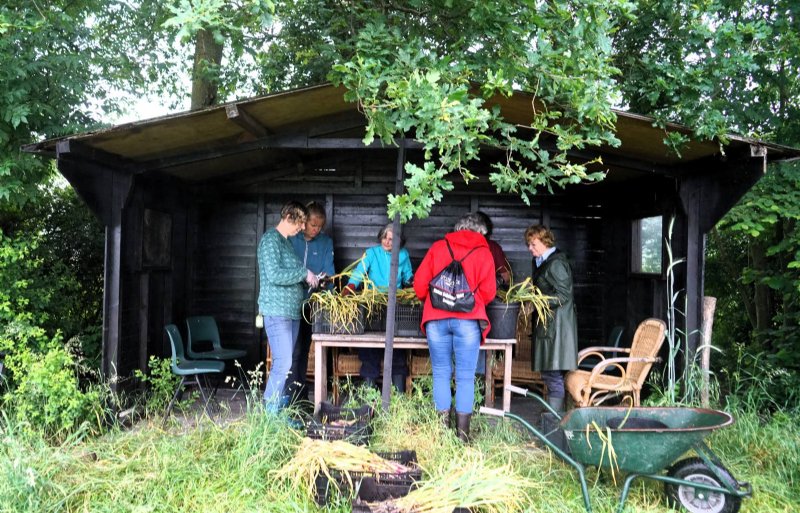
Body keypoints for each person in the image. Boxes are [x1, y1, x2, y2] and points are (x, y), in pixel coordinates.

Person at [413, 213, 496, 442]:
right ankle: (462, 437)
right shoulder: (483, 253)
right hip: (468, 321)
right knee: (466, 377)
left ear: (458, 227)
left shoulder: (439, 247)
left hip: (436, 319)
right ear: (480, 232)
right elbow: (489, 293)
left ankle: (441, 434)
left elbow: (420, 286)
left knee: (440, 373)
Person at [257, 201, 320, 412]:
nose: (302, 228)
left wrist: (310, 278)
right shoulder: (270, 240)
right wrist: (303, 273)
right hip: (277, 311)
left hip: (291, 313)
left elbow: (291, 274)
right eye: (300, 223)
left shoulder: (286, 243)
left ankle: (280, 411)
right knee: (282, 364)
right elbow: (274, 274)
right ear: (289, 217)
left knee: (287, 364)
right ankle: (270, 416)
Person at [346, 223, 413, 392]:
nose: (387, 241)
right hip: (372, 303)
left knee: (397, 348)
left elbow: (408, 277)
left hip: (395, 304)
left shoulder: (403, 255)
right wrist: (350, 288)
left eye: (392, 239)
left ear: (399, 242)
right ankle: (370, 394)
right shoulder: (371, 253)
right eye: (385, 237)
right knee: (370, 348)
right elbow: (358, 273)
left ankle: (398, 395)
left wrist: (412, 284)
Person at [525, 224, 578, 414]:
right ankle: (552, 417)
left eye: (533, 244)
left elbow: (564, 295)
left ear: (545, 241)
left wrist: (537, 301)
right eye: (528, 244)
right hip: (549, 325)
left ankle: (554, 421)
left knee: (553, 374)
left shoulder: (556, 263)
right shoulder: (542, 261)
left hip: (557, 326)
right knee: (549, 373)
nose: (530, 248)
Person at [286, 201, 335, 405]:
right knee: (292, 350)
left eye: (320, 226)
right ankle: (288, 394)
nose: (316, 229)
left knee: (304, 349)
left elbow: (330, 273)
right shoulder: (290, 239)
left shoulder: (325, 243)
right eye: (313, 224)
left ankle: (300, 395)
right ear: (304, 222)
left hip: (311, 305)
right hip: (289, 303)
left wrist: (326, 286)